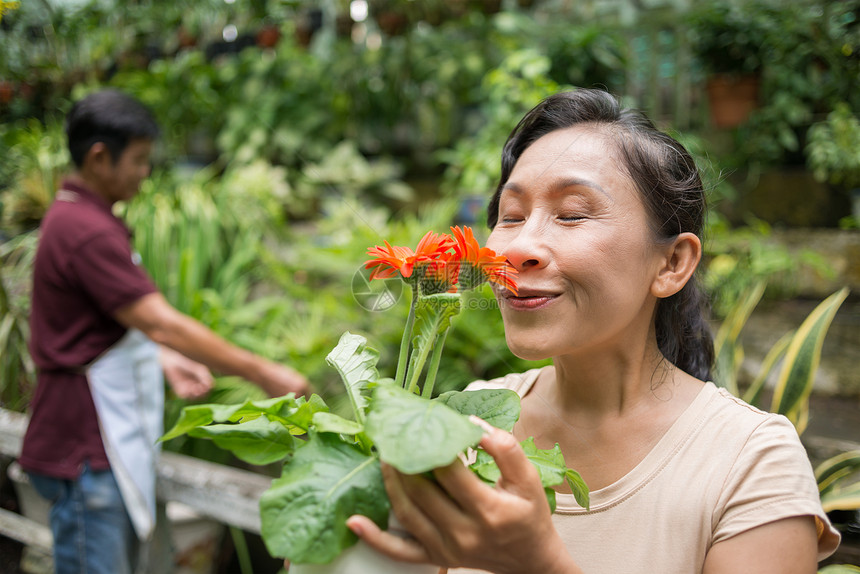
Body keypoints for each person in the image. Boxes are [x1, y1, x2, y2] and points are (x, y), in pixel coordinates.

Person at [344, 89, 841, 573]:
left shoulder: (749, 462)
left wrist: (538, 565)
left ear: (671, 262)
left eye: (572, 214)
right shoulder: (468, 422)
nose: (519, 249)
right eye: (510, 216)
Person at [18, 89, 309, 574]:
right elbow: (159, 320)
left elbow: (97, 327)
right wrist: (263, 371)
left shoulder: (79, 218)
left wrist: (161, 358)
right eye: (137, 160)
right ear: (97, 156)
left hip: (90, 443)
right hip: (84, 448)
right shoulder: (83, 229)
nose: (143, 172)